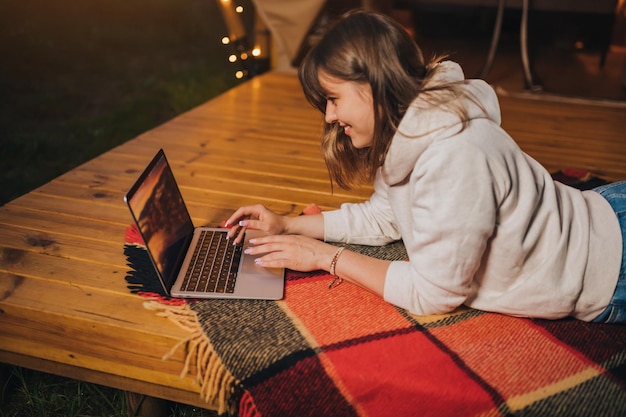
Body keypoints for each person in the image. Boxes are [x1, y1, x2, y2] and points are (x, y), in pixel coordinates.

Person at [225, 9, 626, 323]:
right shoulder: (413, 125)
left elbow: (434, 294)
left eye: (333, 99)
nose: (329, 116)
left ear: (374, 85)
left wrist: (323, 257)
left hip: (608, 265)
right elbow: (386, 217)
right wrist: (288, 225)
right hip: (601, 212)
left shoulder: (455, 157)